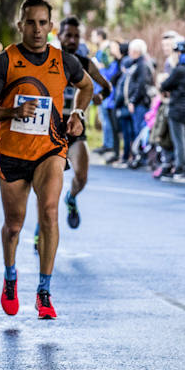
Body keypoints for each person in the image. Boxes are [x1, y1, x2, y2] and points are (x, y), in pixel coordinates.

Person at [0, 0, 92, 321]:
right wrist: (12, 110)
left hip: (50, 149)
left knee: (50, 212)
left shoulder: (63, 60)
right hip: (13, 153)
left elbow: (85, 87)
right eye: (31, 22)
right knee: (14, 226)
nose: (37, 29)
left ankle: (44, 291)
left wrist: (78, 113)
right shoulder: (5, 61)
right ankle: (11, 276)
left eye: (43, 23)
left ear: (51, 26)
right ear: (21, 25)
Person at [53, 16, 111, 230]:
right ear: (59, 36)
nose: (72, 40)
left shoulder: (85, 63)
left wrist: (99, 97)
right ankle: (42, 229)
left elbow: (106, 87)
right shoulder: (48, 61)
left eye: (77, 36)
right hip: (51, 129)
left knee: (82, 176)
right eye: (68, 35)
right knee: (51, 186)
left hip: (76, 128)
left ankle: (71, 197)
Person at [159, 38, 185, 179]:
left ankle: (181, 168)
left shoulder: (180, 69)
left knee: (180, 142)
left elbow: (165, 85)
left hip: (177, 109)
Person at [114, 39, 153, 167]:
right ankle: (137, 156)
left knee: (139, 131)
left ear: (136, 51)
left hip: (140, 104)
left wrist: (133, 101)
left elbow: (141, 85)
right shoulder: (135, 64)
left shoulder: (142, 65)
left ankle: (142, 158)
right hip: (135, 103)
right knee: (135, 130)